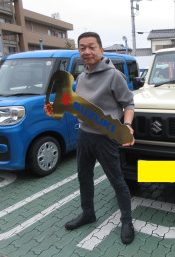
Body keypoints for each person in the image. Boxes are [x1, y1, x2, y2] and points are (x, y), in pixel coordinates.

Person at [44, 32, 135, 244]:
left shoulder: (114, 76)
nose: (87, 51)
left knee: (117, 181)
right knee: (84, 177)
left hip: (106, 138)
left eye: (91, 47)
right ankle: (88, 213)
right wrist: (55, 109)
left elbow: (128, 104)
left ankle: (127, 221)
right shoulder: (81, 77)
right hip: (84, 135)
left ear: (101, 50)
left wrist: (128, 125)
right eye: (82, 47)